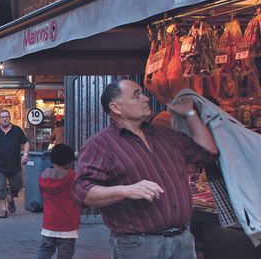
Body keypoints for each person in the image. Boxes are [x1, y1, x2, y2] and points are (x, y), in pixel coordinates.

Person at [74, 79, 218, 259]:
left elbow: (209, 152)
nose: (146, 99)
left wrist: (189, 113)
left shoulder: (166, 136)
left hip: (183, 241)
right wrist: (126, 190)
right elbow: (82, 192)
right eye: (136, 96)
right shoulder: (100, 145)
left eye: (142, 93)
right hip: (138, 246)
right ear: (116, 108)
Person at [38, 143, 80, 259]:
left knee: (45, 249)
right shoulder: (73, 177)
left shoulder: (43, 175)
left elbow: (42, 194)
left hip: (49, 222)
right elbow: (79, 195)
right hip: (68, 223)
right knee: (65, 254)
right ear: (69, 161)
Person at [0, 108, 30, 218]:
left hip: (15, 164)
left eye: (6, 117)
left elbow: (26, 143)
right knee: (0, 187)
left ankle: (11, 198)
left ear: (9, 118)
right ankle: (3, 209)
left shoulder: (17, 130)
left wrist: (25, 155)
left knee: (17, 185)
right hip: (0, 165)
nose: (4, 119)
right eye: (2, 117)